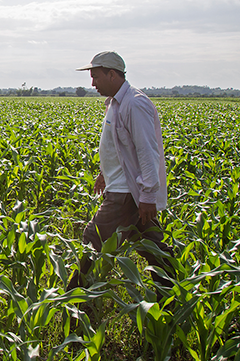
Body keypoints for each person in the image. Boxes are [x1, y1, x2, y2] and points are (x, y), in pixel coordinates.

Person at [67, 51, 175, 296]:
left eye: (96, 77)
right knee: (151, 246)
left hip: (126, 192)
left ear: (112, 75)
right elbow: (120, 146)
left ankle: (74, 299)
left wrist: (148, 195)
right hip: (125, 187)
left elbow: (147, 151)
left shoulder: (134, 103)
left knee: (93, 239)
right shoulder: (116, 103)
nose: (92, 83)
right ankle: (172, 294)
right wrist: (104, 173)